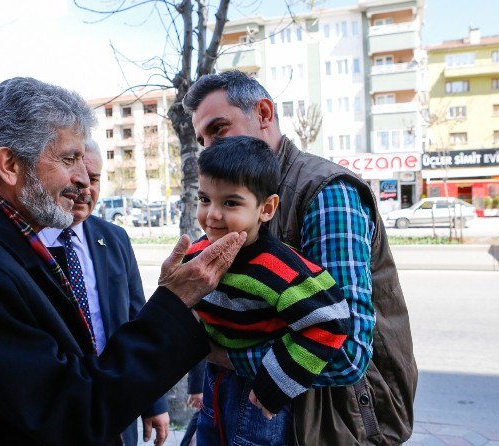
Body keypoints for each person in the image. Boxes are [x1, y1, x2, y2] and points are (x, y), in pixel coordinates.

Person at [0, 77, 247, 445]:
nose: (84, 179)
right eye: (69, 159)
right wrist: (174, 304)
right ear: (10, 165)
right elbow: (73, 412)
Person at [183, 70, 417, 445]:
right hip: (251, 408)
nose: (209, 147)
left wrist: (222, 355)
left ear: (263, 113)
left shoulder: (325, 192)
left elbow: (349, 351)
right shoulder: (232, 194)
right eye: (202, 139)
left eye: (219, 129)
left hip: (332, 419)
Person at [183, 136, 350, 445]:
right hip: (214, 381)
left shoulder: (279, 267)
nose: (213, 215)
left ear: (267, 208)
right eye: (205, 199)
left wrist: (277, 379)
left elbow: (331, 320)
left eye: (231, 203)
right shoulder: (197, 254)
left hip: (257, 394)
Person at [37, 139, 170, 446]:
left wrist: (154, 401)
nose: (85, 190)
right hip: (59, 409)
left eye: (94, 180)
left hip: (118, 405)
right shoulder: (28, 241)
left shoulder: (115, 238)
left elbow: (139, 319)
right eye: (76, 179)